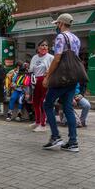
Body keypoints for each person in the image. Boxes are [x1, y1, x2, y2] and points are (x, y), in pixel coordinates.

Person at [43, 13, 81, 153]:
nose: (57, 27)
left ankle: (55, 136)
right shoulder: (76, 39)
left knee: (47, 104)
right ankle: (73, 142)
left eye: (57, 24)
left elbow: (57, 58)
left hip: (61, 79)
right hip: (72, 78)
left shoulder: (61, 37)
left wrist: (48, 75)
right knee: (68, 108)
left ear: (61, 24)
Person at [29, 40, 54, 132]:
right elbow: (31, 69)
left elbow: (54, 69)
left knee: (43, 103)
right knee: (35, 103)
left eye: (46, 45)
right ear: (38, 48)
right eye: (42, 45)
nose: (44, 47)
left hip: (45, 81)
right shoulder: (35, 57)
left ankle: (43, 125)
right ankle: (37, 121)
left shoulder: (51, 57)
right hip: (35, 81)